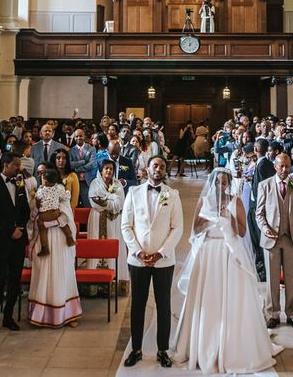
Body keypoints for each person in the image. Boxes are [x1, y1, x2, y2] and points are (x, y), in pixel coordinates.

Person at [173, 167, 281, 373]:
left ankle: (232, 346)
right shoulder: (203, 201)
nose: (220, 185)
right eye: (217, 182)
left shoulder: (235, 201)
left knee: (231, 299)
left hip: (228, 253)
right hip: (207, 253)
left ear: (228, 184)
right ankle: (202, 344)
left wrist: (228, 216)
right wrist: (207, 221)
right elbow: (195, 229)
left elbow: (241, 231)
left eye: (224, 182)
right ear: (212, 183)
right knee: (208, 299)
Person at [121, 157, 184, 369]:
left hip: (163, 261)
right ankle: (136, 349)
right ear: (147, 169)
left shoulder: (172, 194)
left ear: (166, 170)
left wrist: (161, 253)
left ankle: (162, 350)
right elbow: (126, 226)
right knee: (137, 305)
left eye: (162, 166)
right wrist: (138, 252)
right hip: (138, 260)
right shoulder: (134, 192)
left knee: (163, 305)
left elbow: (178, 228)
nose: (158, 169)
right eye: (155, 165)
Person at [256, 153, 293, 329]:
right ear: (275, 166)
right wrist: (265, 228)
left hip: (292, 239)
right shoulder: (265, 185)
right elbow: (259, 213)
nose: (285, 169)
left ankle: (292, 314)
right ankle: (272, 314)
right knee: (272, 280)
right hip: (271, 239)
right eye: (281, 166)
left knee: (291, 279)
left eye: (287, 166)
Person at [28, 165, 82, 328]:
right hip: (44, 239)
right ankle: (41, 314)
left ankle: (68, 314)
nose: (41, 177)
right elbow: (33, 217)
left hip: (60, 240)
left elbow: (67, 217)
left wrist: (51, 222)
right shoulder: (40, 193)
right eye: (39, 174)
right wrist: (35, 206)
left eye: (43, 174)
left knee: (62, 273)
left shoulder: (60, 193)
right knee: (44, 272)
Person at [0, 152, 30, 333]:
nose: (19, 168)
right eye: (15, 164)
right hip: (2, 238)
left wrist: (19, 227)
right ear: (5, 165)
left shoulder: (19, 183)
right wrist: (10, 230)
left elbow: (25, 209)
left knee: (15, 280)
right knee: (0, 279)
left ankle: (9, 317)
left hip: (18, 238)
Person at [87, 159, 128, 292]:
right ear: (101, 170)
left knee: (113, 245)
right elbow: (94, 202)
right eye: (106, 168)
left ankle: (115, 283)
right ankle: (95, 285)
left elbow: (119, 203)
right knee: (96, 246)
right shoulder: (95, 183)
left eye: (111, 169)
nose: (109, 171)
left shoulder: (118, 185)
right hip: (98, 219)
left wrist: (106, 203)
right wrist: (110, 201)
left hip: (114, 221)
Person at [247, 138, 275, 281]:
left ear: (256, 150)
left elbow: (263, 189)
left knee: (259, 240)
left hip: (258, 209)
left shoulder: (264, 165)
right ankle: (261, 270)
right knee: (256, 240)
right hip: (255, 206)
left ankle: (263, 272)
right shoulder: (264, 164)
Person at [34, 168, 76, 256]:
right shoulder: (58, 189)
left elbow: (37, 199)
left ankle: (45, 248)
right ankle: (69, 238)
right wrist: (68, 191)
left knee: (43, 231)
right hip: (55, 213)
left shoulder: (41, 190)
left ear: (45, 181)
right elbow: (65, 197)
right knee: (64, 224)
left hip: (44, 215)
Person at [69, 128, 97, 207]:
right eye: (76, 136)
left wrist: (78, 168)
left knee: (87, 205)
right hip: (75, 181)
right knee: (75, 205)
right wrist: (83, 162)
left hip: (88, 181)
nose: (78, 138)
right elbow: (70, 164)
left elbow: (92, 164)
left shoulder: (91, 149)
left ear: (84, 137)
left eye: (80, 136)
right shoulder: (71, 150)